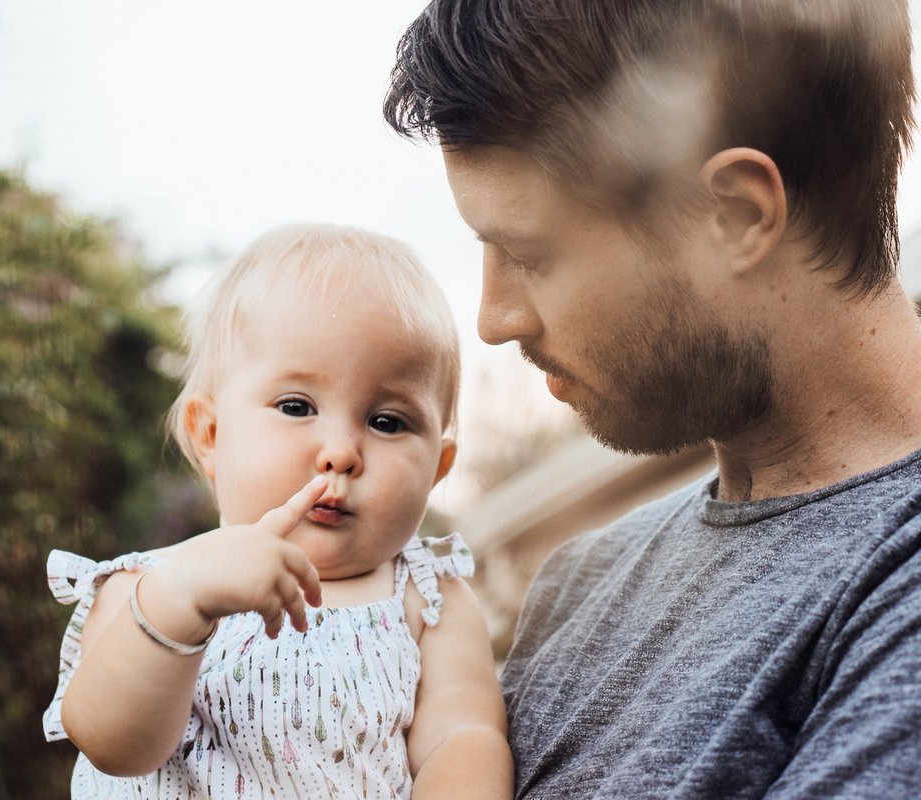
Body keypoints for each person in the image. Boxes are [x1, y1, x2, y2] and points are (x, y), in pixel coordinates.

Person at [383, 0, 921, 796]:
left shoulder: (891, 578)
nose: (494, 320)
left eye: (527, 253)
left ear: (735, 214)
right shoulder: (581, 581)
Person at [42, 223, 513, 799]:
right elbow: (113, 746)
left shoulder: (428, 602)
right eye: (297, 406)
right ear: (211, 435)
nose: (340, 452)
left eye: (387, 421)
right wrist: (179, 604)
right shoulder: (147, 587)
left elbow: (462, 738)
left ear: (437, 469)